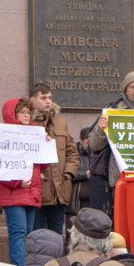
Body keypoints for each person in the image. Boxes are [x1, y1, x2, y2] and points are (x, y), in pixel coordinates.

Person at [88, 70, 134, 197]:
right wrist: (101, 129)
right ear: (126, 91)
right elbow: (94, 145)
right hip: (120, 179)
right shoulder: (112, 111)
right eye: (132, 87)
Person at [0, 98, 43, 266]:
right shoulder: (4, 137)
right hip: (13, 193)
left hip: (30, 193)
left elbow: (42, 165)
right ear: (12, 114)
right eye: (22, 112)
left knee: (28, 234)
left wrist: (45, 145)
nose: (27, 115)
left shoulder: (33, 134)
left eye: (29, 112)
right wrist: (17, 182)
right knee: (19, 233)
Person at [30, 83, 79, 235]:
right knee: (38, 236)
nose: (48, 101)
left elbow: (72, 151)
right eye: (43, 98)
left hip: (60, 191)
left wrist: (68, 174)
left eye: (50, 98)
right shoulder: (28, 123)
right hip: (39, 192)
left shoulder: (60, 122)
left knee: (57, 236)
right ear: (32, 100)